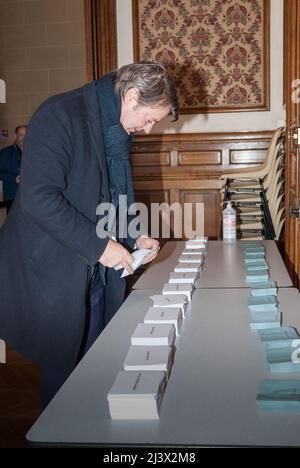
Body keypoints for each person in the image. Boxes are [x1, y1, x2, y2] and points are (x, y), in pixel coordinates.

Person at [0, 62, 179, 408]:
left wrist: (134, 234)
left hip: (92, 265)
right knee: (64, 372)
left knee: (96, 360)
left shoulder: (114, 126)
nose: (148, 128)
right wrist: (100, 246)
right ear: (131, 96)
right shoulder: (60, 115)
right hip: (51, 266)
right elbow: (38, 198)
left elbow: (113, 193)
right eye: (150, 118)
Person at [0, 125, 27, 214]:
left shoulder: (36, 153)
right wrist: (13, 178)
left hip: (31, 200)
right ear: (15, 136)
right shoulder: (4, 153)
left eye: (26, 135)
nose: (24, 138)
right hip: (12, 200)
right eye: (21, 135)